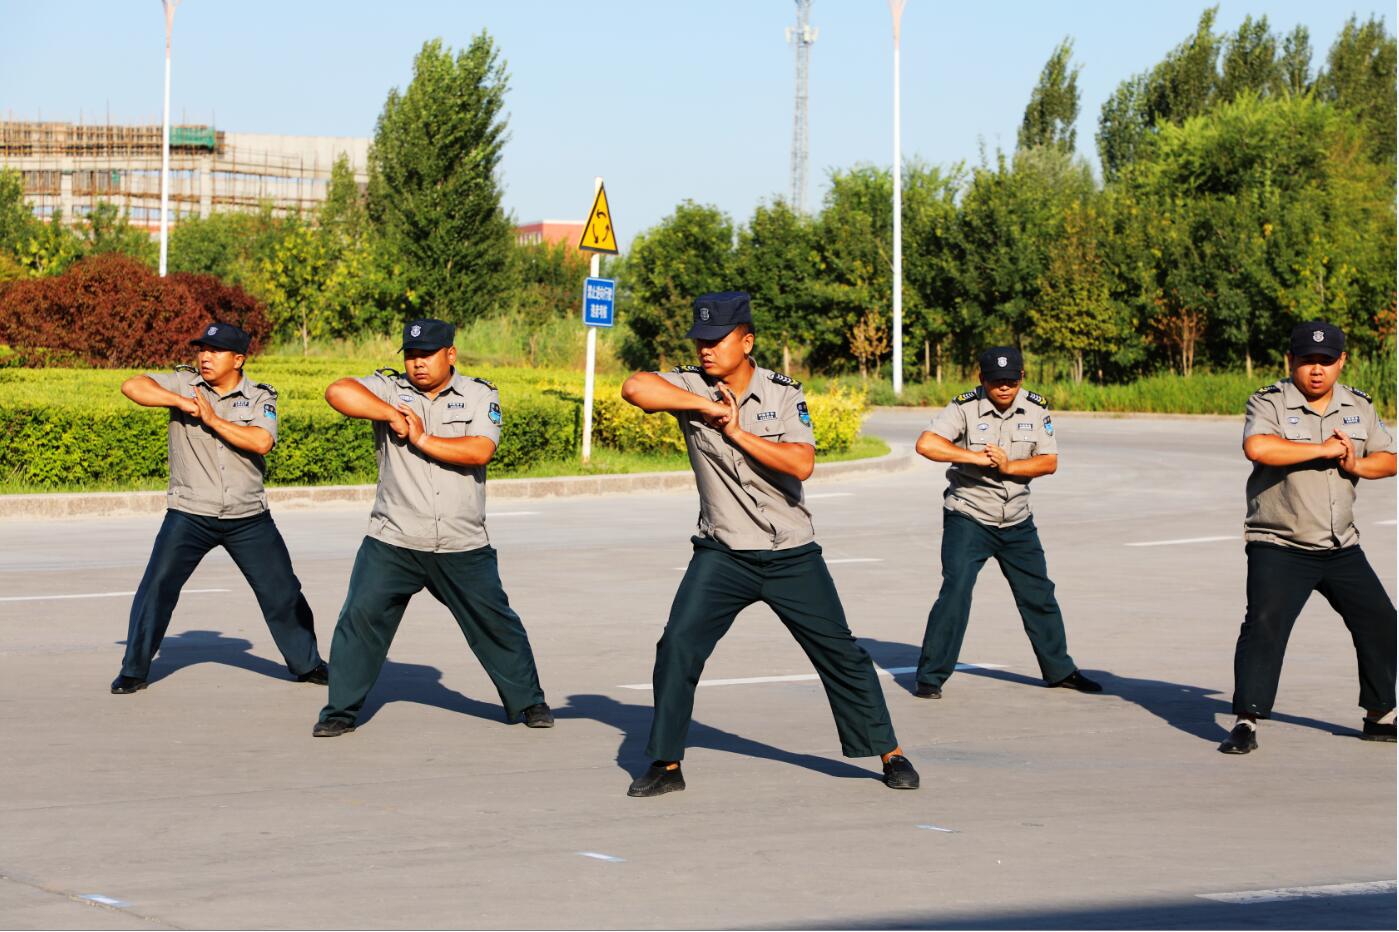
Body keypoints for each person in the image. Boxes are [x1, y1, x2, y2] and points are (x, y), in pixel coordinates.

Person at [618, 291, 919, 797]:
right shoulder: (692, 384)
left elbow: (801, 463)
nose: (706, 348)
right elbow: (635, 387)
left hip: (790, 552)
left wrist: (736, 431)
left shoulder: (782, 393)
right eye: (700, 340)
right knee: (677, 646)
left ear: (747, 342)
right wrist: (705, 406)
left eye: (717, 340)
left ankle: (889, 752)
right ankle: (666, 765)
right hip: (723, 552)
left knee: (840, 653)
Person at [313, 318, 551, 737]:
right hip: (394, 538)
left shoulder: (479, 394)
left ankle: (529, 702)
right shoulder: (390, 389)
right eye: (411, 355)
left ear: (450, 354)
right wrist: (391, 413)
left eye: (426, 355)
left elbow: (480, 450)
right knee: (361, 619)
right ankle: (340, 711)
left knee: (495, 624)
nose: (417, 363)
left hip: (462, 541)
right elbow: (338, 391)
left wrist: (422, 439)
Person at [112, 321, 326, 694]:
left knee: (283, 592)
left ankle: (308, 664)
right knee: (157, 589)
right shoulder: (185, 384)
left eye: (215, 351)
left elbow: (261, 441)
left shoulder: (260, 397)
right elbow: (132, 386)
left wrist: (212, 418)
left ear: (238, 359)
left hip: (248, 516)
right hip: (190, 512)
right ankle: (134, 669)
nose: (205, 357)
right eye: (202, 350)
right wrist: (182, 403)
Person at [1219, 321, 1397, 754]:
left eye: (1326, 361)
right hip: (1279, 542)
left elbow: (1389, 459)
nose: (1317, 370)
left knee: (1380, 619)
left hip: (1340, 546)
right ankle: (1246, 721)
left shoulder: (1358, 405)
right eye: (1307, 360)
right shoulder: (1270, 402)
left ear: (1342, 361)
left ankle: (1379, 715)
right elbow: (1258, 448)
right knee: (1265, 625)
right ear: (1291, 361)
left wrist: (1356, 464)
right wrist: (1324, 450)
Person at [912, 346, 1100, 701]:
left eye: (1011, 381)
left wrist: (1009, 466)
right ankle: (931, 676)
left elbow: (1048, 461)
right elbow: (926, 444)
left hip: (1016, 519)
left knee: (1039, 594)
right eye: (997, 381)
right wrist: (972, 457)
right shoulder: (964, 406)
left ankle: (1060, 671)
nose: (1004, 387)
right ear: (982, 379)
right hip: (969, 515)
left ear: (1021, 378)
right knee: (956, 592)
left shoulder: (1036, 408)